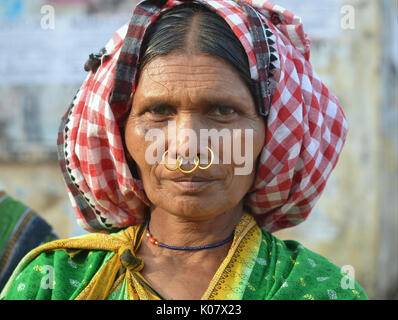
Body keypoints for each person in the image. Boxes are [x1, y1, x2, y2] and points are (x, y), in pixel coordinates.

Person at [1, 0, 367, 300]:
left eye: (224, 111)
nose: (187, 147)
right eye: (158, 111)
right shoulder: (55, 281)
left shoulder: (319, 288)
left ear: (271, 135)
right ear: (120, 133)